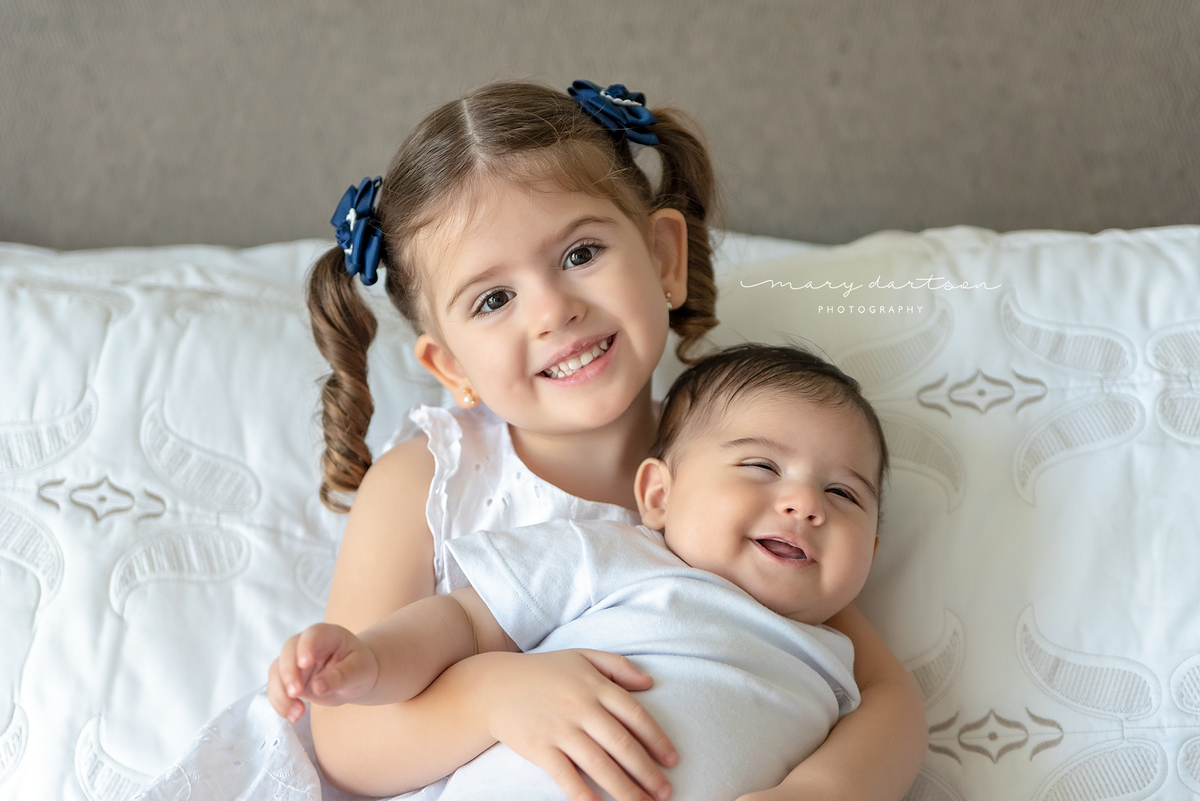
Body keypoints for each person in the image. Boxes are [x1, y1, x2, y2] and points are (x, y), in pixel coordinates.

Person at [145, 79, 924, 801]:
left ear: (664, 259)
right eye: (494, 299)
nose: (553, 311)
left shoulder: (741, 470)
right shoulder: (428, 480)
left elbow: (885, 697)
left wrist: (822, 789)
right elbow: (347, 741)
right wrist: (495, 694)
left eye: (581, 254)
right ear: (452, 367)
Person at [269, 345, 889, 801]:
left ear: (873, 551)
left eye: (843, 494)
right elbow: (461, 621)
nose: (806, 504)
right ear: (659, 495)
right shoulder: (610, 555)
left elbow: (890, 735)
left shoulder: (836, 657)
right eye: (761, 467)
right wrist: (372, 660)